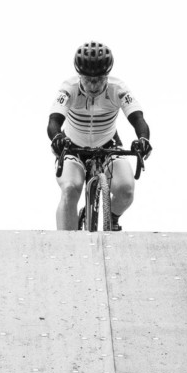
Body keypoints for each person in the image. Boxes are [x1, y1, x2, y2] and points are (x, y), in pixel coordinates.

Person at [47, 41, 152, 231]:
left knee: (126, 190)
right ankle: (67, 243)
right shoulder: (68, 88)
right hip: (73, 147)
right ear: (79, 76)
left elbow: (138, 119)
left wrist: (143, 139)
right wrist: (56, 138)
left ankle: (112, 217)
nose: (93, 85)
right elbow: (54, 121)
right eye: (87, 80)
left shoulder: (118, 89)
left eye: (99, 80)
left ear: (107, 76)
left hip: (108, 145)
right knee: (70, 189)